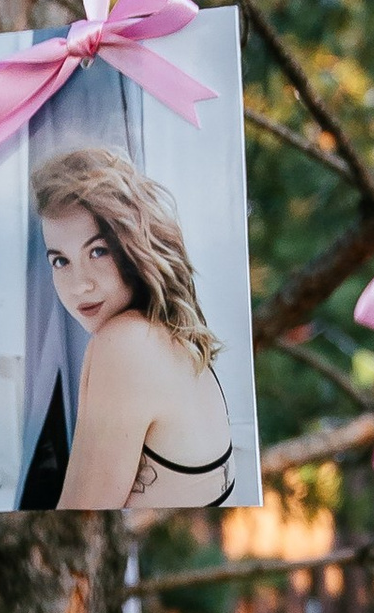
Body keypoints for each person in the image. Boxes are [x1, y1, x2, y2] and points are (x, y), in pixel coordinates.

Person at [18, 144, 235, 514]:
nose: (79, 285)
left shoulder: (123, 345)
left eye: (98, 251)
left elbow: (76, 521)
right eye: (60, 261)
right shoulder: (172, 336)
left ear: (134, 245)